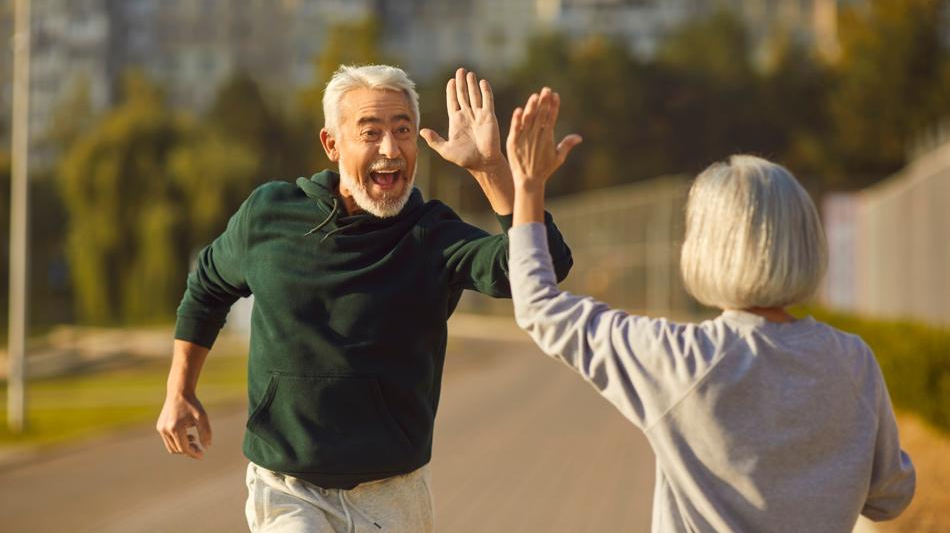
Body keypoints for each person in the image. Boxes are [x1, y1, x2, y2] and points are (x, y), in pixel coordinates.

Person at [156, 65, 573, 532]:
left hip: (393, 494)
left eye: (402, 131)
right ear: (332, 144)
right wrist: (180, 390)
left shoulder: (432, 235)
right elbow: (207, 288)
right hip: (287, 489)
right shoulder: (270, 216)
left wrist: (490, 168)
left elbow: (543, 268)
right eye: (370, 133)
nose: (390, 150)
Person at [504, 88, 915, 532]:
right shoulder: (853, 362)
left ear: (705, 247)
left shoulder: (680, 359)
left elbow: (539, 306)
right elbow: (891, 496)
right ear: (806, 239)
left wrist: (528, 187)